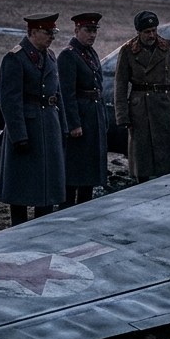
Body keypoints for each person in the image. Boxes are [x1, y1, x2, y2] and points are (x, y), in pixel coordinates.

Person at [0, 13, 67, 225]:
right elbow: (10, 101)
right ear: (33, 32)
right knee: (21, 184)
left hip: (49, 124)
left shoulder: (51, 56)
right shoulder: (15, 58)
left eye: (53, 32)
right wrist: (19, 135)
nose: (52, 37)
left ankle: (42, 224)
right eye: (48, 32)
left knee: (47, 182)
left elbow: (58, 93)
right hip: (28, 129)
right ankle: (18, 227)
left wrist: (63, 125)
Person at [114, 10, 170, 182]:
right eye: (147, 32)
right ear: (139, 32)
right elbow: (120, 85)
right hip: (141, 109)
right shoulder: (127, 51)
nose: (151, 35)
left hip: (166, 107)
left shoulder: (168, 47)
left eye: (154, 30)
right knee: (143, 163)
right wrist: (123, 116)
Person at [58, 12, 108, 206]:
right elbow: (66, 94)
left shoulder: (90, 53)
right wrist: (73, 124)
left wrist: (102, 118)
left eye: (94, 31)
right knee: (74, 170)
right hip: (80, 119)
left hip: (93, 115)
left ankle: (84, 207)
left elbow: (99, 87)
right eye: (88, 30)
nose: (92, 35)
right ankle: (67, 208)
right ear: (76, 30)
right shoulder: (68, 55)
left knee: (89, 170)